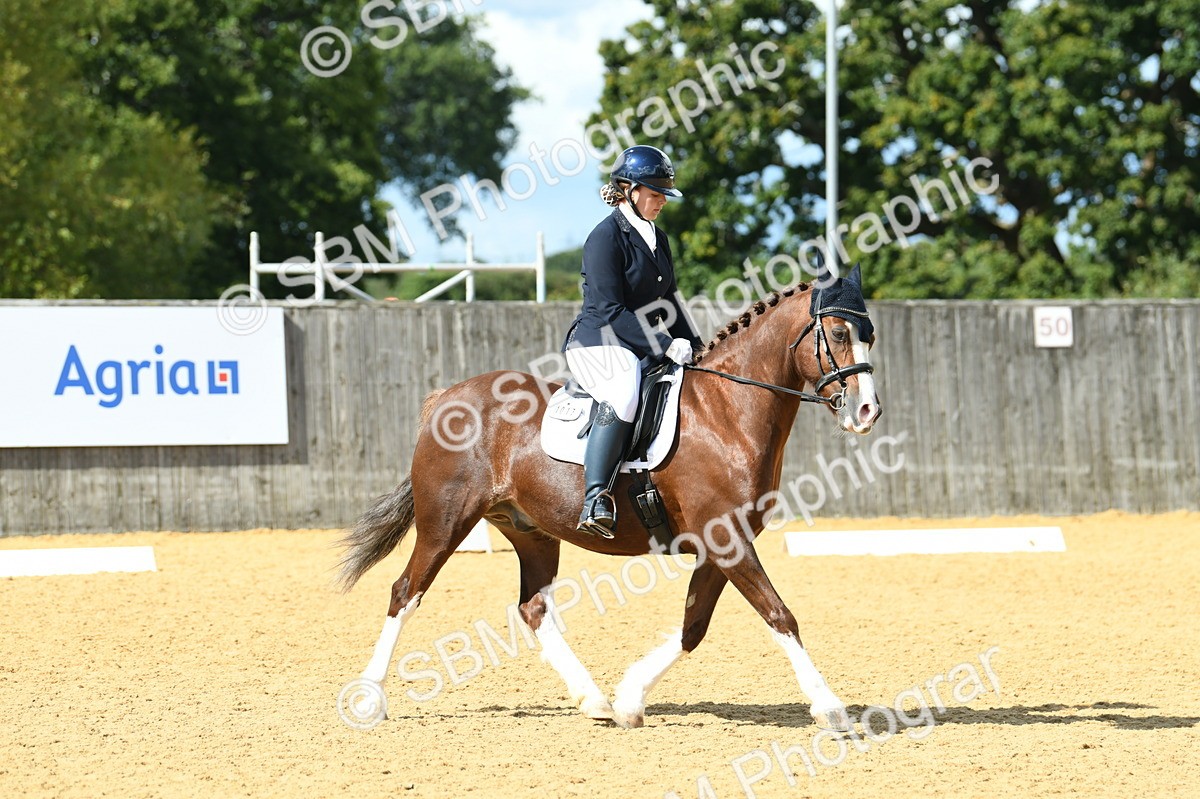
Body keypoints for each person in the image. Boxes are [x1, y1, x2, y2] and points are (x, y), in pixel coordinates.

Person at [561, 145, 704, 537]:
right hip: (597, 343)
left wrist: (695, 345)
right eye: (655, 194)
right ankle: (595, 499)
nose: (661, 202)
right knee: (624, 389)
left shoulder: (658, 238)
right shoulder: (604, 238)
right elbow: (609, 311)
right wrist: (662, 344)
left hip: (636, 343)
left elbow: (670, 299)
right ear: (628, 189)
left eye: (664, 195)